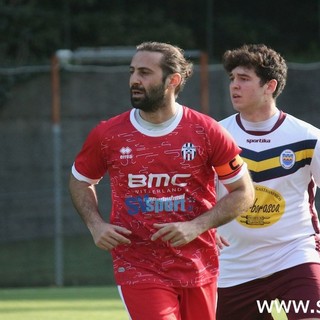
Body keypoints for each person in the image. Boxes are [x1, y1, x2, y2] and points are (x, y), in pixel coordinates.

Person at [68, 41, 254, 320]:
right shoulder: (108, 134)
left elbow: (244, 192)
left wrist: (197, 226)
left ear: (173, 80)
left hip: (198, 264)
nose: (134, 80)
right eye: (132, 72)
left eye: (145, 72)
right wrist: (95, 226)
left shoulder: (207, 131)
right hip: (138, 266)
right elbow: (80, 181)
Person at [216, 43, 320, 320]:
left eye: (244, 79)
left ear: (269, 86)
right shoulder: (215, 136)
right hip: (234, 267)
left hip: (295, 256)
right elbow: (197, 195)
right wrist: (204, 227)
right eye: (232, 79)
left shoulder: (308, 137)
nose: (234, 86)